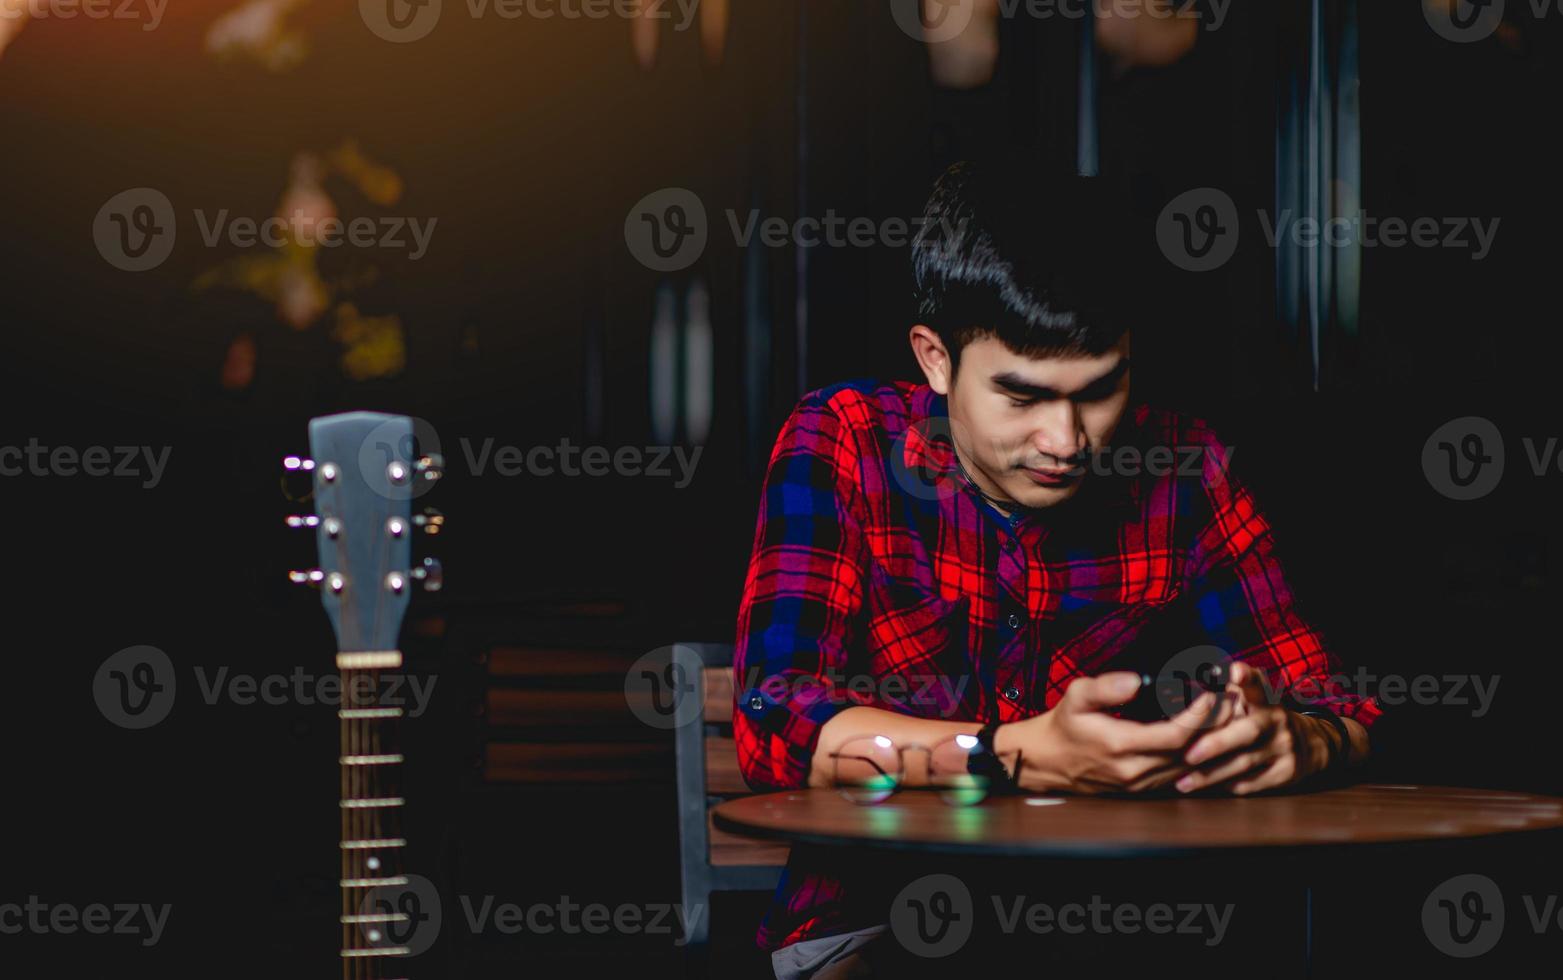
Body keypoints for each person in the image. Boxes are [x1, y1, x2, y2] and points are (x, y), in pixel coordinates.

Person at [732, 159, 1382, 977]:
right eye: (1023, 395)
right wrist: (1017, 755)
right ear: (935, 360)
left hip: (1128, 922)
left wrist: (1294, 742)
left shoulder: (1188, 467)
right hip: (873, 918)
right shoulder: (843, 439)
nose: (1066, 440)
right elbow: (776, 719)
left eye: (1099, 391)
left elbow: (1336, 705)